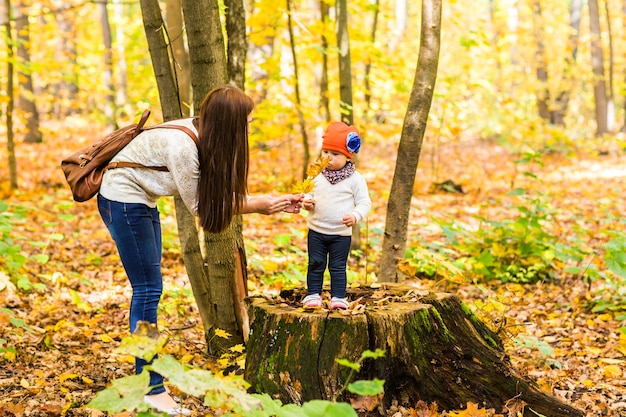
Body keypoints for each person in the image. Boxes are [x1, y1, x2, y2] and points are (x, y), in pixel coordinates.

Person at [97, 84, 303, 416]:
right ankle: (149, 386)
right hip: (121, 198)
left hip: (139, 200)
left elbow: (213, 195)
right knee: (148, 290)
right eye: (246, 123)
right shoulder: (183, 146)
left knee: (150, 287)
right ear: (228, 124)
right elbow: (201, 209)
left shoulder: (203, 133)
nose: (250, 129)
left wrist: (267, 201)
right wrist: (260, 204)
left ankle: (147, 380)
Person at [301, 122, 371, 310]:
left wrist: (355, 216)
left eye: (335, 154)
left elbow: (364, 203)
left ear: (348, 156)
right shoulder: (316, 175)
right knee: (315, 263)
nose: (328, 158)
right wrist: (306, 202)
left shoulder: (355, 179)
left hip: (341, 234)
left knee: (338, 266)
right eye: (325, 152)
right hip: (316, 230)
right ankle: (313, 294)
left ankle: (338, 297)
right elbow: (307, 194)